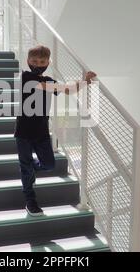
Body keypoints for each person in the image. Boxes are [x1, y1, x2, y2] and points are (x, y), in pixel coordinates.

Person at [14, 45, 97, 216]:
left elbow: (68, 90)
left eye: (42, 61)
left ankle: (29, 169)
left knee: (49, 164)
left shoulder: (48, 81)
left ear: (48, 62)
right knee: (25, 166)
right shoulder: (25, 77)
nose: (38, 64)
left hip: (42, 132)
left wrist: (85, 81)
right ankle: (30, 201)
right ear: (28, 61)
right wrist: (67, 86)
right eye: (34, 61)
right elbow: (59, 88)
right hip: (23, 132)